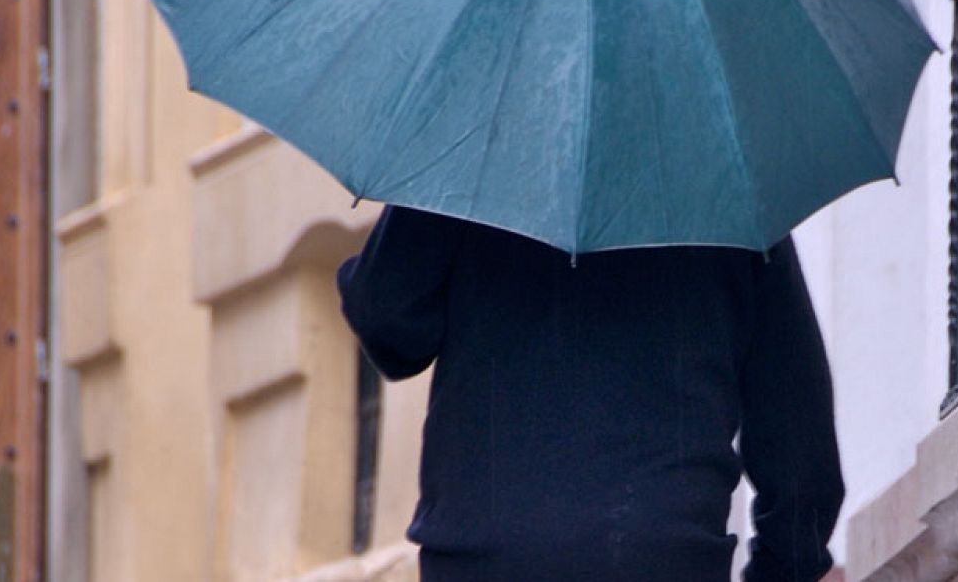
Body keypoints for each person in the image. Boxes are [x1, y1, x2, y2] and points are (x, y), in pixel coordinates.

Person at [336, 205, 844, 582]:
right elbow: (802, 457)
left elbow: (390, 325)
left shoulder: (475, 161)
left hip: (487, 554)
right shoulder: (736, 203)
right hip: (661, 552)